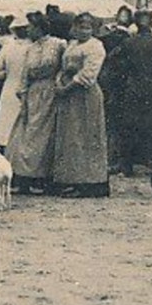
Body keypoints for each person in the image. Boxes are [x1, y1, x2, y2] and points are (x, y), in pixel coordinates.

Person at [7, 11, 68, 195]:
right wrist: (23, 94)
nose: (29, 31)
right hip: (34, 93)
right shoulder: (30, 49)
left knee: (46, 135)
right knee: (26, 132)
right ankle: (23, 177)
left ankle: (43, 179)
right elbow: (25, 74)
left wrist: (58, 83)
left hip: (51, 92)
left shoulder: (58, 44)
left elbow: (64, 68)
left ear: (40, 27)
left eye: (31, 27)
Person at [51, 11, 110, 197]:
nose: (83, 31)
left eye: (87, 27)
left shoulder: (96, 46)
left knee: (87, 135)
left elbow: (89, 73)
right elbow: (62, 67)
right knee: (72, 137)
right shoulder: (71, 45)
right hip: (69, 97)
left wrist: (68, 86)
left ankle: (91, 183)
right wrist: (59, 81)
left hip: (85, 94)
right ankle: (74, 179)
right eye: (80, 27)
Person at [110, 10, 152, 177]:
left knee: (130, 127)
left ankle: (127, 165)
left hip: (132, 88)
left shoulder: (128, 43)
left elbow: (114, 62)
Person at [0, 15, 31, 152]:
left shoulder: (8, 47)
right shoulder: (34, 46)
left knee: (8, 120)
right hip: (24, 87)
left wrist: (6, 74)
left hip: (11, 86)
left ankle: (6, 148)